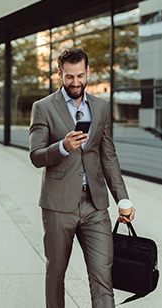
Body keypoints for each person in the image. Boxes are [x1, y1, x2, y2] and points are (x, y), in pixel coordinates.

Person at [29, 47, 135, 308]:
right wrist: (63, 146)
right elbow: (35, 155)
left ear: (88, 72)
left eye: (80, 76)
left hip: (95, 206)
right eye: (69, 77)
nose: (75, 82)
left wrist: (123, 200)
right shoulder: (43, 108)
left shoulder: (101, 108)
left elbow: (108, 157)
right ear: (59, 74)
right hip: (58, 206)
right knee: (56, 275)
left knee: (103, 277)